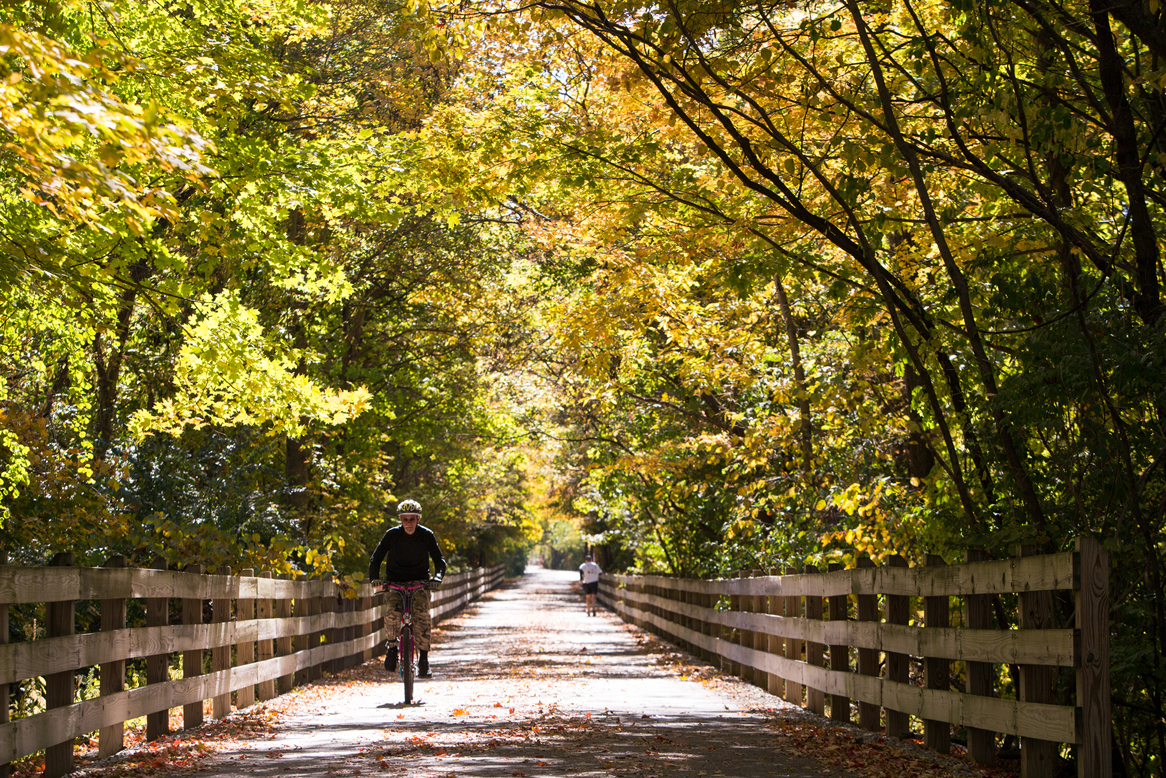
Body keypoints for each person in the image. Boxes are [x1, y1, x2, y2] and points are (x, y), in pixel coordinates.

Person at [368, 499, 446, 678]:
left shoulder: (426, 535)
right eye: (405, 519)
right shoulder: (391, 535)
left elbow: (439, 560)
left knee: (421, 615)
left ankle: (424, 660)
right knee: (392, 613)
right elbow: (376, 559)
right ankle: (392, 648)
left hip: (420, 583)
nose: (409, 523)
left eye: (412, 519)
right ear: (400, 520)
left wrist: (437, 577)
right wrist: (374, 579)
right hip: (395, 582)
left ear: (418, 519)